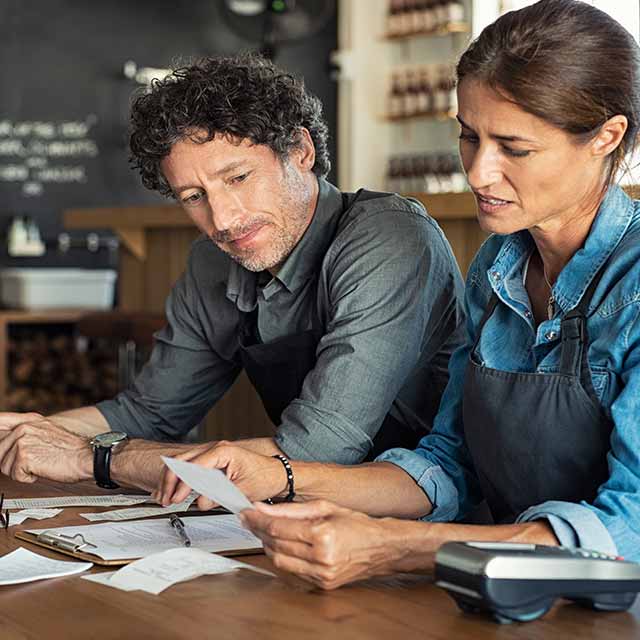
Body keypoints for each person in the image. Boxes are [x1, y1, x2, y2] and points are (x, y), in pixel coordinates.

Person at [157, 0, 640, 589]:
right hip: (506, 589)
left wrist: (397, 546)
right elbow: (446, 464)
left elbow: (627, 531)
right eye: (469, 136)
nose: (480, 172)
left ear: (605, 137)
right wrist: (276, 476)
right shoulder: (499, 264)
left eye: (514, 148)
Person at [0, 55, 465, 490]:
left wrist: (94, 458)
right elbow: (149, 412)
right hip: (304, 516)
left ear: (300, 150)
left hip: (431, 524)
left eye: (238, 178)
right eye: (193, 197)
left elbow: (317, 451)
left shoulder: (389, 238)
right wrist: (29, 432)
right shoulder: (212, 262)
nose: (222, 219)